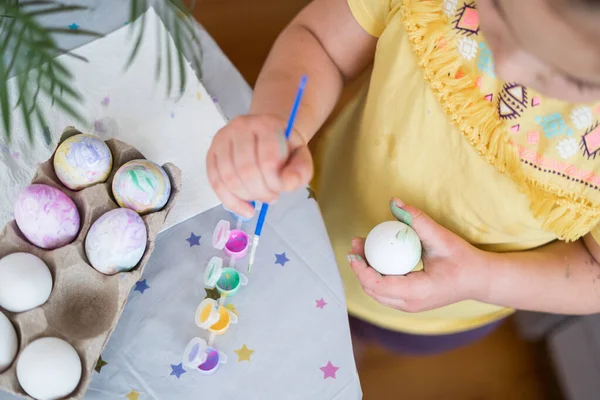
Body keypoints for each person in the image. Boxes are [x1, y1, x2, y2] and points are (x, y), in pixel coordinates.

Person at [205, 0, 600, 356]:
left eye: (569, 78)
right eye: (499, 11)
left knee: (341, 337)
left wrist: (478, 277)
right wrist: (278, 120)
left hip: (433, 313)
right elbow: (320, 42)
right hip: (318, 209)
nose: (508, 66)